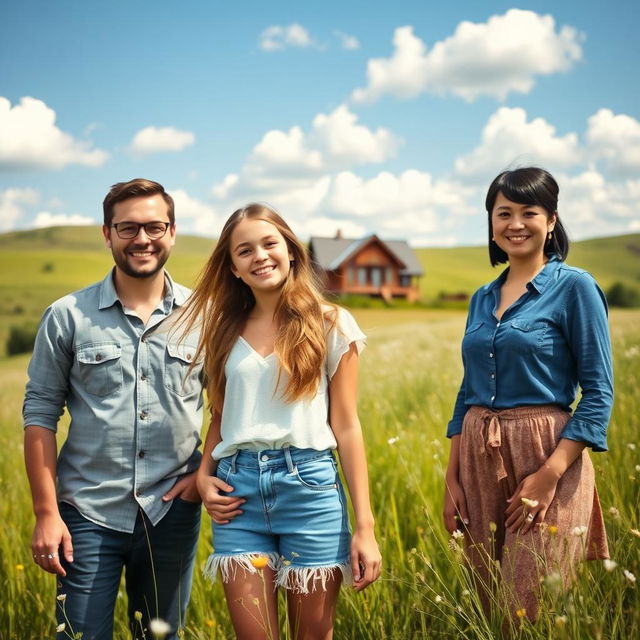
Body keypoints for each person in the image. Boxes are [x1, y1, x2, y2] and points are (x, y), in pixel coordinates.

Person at [178, 203, 381, 639]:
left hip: (309, 490)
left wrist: (364, 527)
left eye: (270, 243)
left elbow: (347, 426)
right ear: (232, 267)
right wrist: (202, 477)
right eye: (245, 250)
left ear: (290, 250)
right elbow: (220, 415)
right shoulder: (223, 328)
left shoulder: (331, 323)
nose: (260, 256)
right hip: (237, 496)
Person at [23, 179, 204, 640]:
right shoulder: (66, 315)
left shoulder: (205, 316)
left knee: (160, 635)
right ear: (107, 234)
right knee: (79, 635)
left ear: (172, 231)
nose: (141, 239)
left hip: (172, 511)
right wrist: (47, 513)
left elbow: (228, 405)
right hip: (85, 514)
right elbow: (40, 414)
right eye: (127, 228)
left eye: (153, 227)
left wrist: (203, 473)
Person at [443, 167, 613, 622]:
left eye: (528, 212)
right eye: (504, 213)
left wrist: (550, 474)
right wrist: (452, 478)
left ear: (551, 220)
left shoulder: (575, 288)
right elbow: (467, 392)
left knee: (528, 608)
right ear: (491, 224)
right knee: (489, 605)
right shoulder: (482, 297)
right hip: (479, 458)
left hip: (547, 455)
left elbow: (598, 392)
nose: (515, 224)